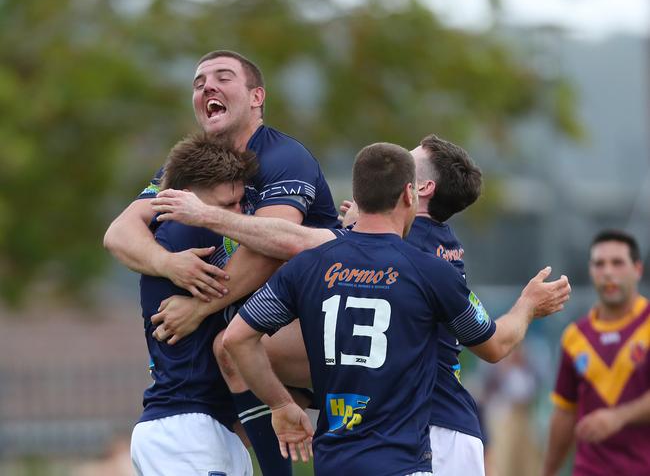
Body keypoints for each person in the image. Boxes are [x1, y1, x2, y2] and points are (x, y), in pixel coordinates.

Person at [152, 134, 568, 475]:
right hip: (410, 448)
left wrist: (208, 217)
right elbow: (493, 344)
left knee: (236, 348)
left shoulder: (383, 254)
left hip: (430, 435)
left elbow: (294, 244)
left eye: (409, 159)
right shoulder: (433, 252)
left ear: (416, 190)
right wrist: (527, 306)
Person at [104, 50, 339, 475]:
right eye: (198, 82)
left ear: (256, 97)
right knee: (232, 367)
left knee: (231, 347)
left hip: (324, 318)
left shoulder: (285, 157)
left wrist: (200, 306)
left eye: (223, 77)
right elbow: (118, 233)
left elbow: (275, 244)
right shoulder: (195, 172)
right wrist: (168, 263)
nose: (207, 87)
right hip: (190, 418)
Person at [131, 132, 256, 476]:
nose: (237, 215)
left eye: (240, 203)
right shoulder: (187, 230)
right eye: (224, 206)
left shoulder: (198, 229)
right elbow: (269, 259)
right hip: (187, 429)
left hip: (201, 427)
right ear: (185, 200)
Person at [543, 230, 650, 476]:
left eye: (617, 263)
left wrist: (619, 417)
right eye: (600, 264)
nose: (608, 272)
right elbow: (565, 413)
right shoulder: (575, 337)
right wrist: (547, 471)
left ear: (638, 269)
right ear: (591, 271)